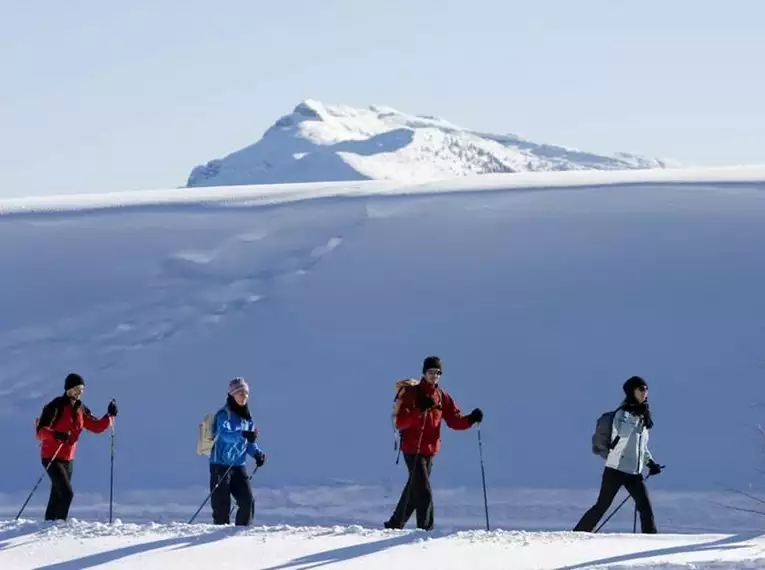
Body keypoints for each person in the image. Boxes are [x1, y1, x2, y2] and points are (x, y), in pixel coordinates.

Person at [384, 356, 483, 531]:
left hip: (430, 450)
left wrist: (470, 419)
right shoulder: (412, 393)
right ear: (424, 372)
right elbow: (401, 422)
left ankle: (394, 524)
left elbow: (454, 420)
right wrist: (419, 410)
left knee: (415, 491)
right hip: (412, 449)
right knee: (424, 492)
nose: (434, 376)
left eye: (438, 373)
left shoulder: (441, 396)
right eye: (431, 372)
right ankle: (425, 531)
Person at [573, 375, 663, 533]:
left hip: (634, 472)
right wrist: (633, 417)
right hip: (616, 470)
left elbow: (641, 445)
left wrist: (650, 462)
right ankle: (578, 534)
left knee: (646, 509)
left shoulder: (643, 415)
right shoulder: (622, 414)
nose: (645, 393)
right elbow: (621, 437)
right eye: (641, 389)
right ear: (631, 391)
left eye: (646, 389)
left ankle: (651, 543)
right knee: (602, 506)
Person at [35, 372, 118, 521]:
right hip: (51, 456)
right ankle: (59, 525)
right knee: (67, 494)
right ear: (68, 389)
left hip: (69, 458)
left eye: (82, 389)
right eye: (76, 388)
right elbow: (40, 432)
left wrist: (109, 415)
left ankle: (48, 526)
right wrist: (56, 434)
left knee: (57, 494)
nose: (79, 392)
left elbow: (96, 426)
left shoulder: (81, 409)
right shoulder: (55, 406)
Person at [209, 377, 267, 526]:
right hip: (220, 465)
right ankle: (217, 539)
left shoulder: (247, 418)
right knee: (222, 507)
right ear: (232, 395)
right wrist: (243, 433)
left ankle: (241, 534)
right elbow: (225, 435)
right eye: (241, 394)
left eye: (246, 394)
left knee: (247, 501)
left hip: (238, 465)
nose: (244, 397)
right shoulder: (224, 415)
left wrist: (257, 454)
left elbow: (248, 442)